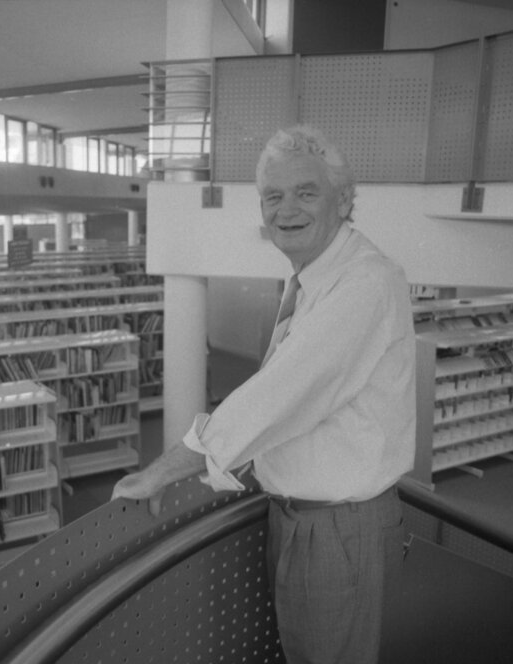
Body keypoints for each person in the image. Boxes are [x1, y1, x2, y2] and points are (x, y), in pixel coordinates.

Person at [112, 125, 416, 663]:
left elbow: (277, 397)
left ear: (344, 199)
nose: (286, 209)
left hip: (337, 530)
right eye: (273, 197)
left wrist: (160, 471)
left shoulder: (362, 283)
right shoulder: (315, 276)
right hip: (306, 520)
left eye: (306, 192)